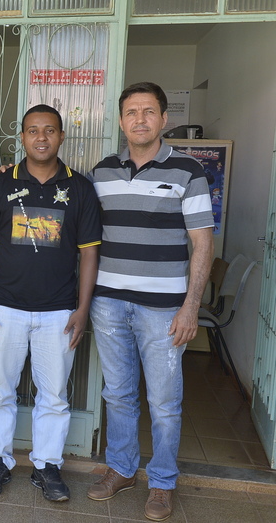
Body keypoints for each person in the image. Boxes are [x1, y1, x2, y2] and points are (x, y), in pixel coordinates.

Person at [87, 82, 213, 522]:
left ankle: (161, 481)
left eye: (148, 111)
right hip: (108, 303)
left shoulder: (188, 171)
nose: (139, 119)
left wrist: (191, 306)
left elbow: (202, 243)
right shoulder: (102, 172)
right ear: (121, 121)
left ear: (163, 118)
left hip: (164, 309)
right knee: (118, 393)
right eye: (131, 112)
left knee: (164, 401)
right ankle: (122, 469)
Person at [0, 104, 102, 502]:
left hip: (59, 310)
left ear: (61, 136)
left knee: (54, 395)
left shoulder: (80, 189)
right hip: (3, 308)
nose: (41, 137)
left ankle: (47, 465)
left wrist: (82, 309)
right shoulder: (0, 185)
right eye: (32, 130)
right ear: (22, 137)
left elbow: (90, 254)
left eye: (49, 130)